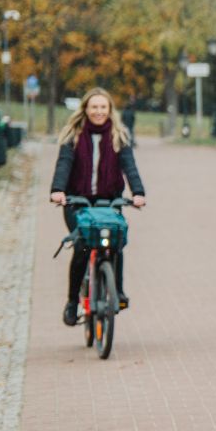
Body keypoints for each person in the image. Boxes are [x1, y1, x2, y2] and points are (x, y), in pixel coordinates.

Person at [50, 87, 146, 325]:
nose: (99, 111)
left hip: (108, 201)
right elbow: (64, 164)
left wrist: (138, 193)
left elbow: (129, 167)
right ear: (86, 109)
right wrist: (58, 190)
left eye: (103, 107)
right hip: (77, 201)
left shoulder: (118, 135)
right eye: (94, 107)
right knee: (83, 246)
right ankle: (72, 302)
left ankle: (118, 291)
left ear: (109, 110)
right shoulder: (73, 134)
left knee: (116, 241)